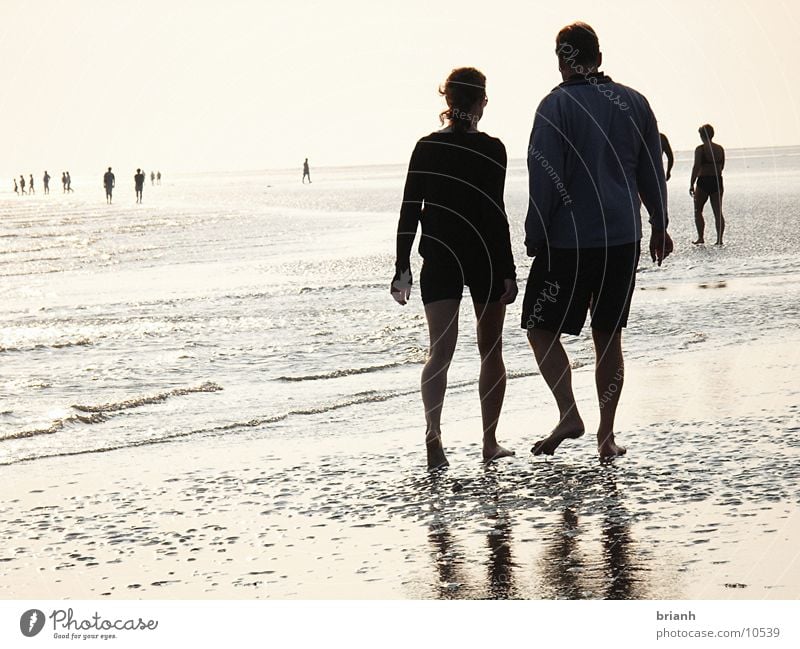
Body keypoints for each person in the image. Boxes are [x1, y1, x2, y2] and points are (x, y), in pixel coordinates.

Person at [522, 22, 672, 460]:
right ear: (599, 58)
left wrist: (535, 234)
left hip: (569, 242)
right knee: (608, 338)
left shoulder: (555, 106)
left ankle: (570, 413)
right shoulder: (634, 102)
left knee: (539, 327)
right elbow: (650, 171)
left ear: (562, 59)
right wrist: (660, 224)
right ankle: (606, 438)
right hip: (622, 238)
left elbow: (544, 179)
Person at [391, 67, 518, 469]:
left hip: (440, 259)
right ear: (481, 102)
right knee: (490, 351)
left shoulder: (426, 147)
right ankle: (489, 442)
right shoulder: (494, 149)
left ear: (447, 101)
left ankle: (434, 434)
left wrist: (401, 266)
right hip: (484, 260)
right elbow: (496, 215)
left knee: (439, 353)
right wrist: (509, 268)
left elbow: (410, 209)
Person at [690, 124, 725, 245]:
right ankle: (719, 239)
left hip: (704, 181)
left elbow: (696, 166)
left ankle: (701, 237)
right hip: (717, 180)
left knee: (698, 210)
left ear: (702, 135)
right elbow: (722, 166)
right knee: (717, 211)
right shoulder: (720, 149)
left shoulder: (700, 149)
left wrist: (691, 183)